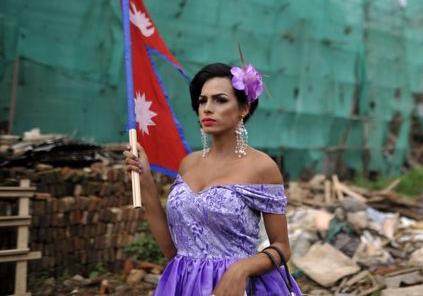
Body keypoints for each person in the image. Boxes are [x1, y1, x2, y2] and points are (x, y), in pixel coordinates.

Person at [123, 62, 301, 295]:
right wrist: (145, 180)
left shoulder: (262, 167)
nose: (207, 108)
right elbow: (173, 251)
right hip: (183, 284)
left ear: (244, 108)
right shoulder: (188, 163)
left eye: (220, 100)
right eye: (202, 101)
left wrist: (241, 270)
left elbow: (282, 247)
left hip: (238, 288)